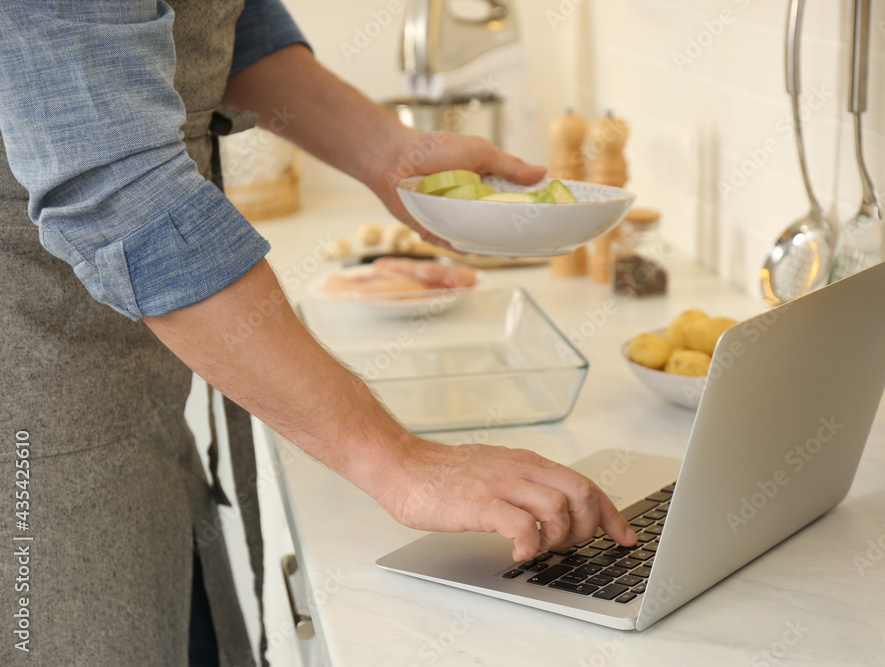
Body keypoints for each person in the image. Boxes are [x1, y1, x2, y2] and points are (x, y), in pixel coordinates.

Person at [0, 2, 636, 665]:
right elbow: (118, 185)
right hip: (31, 412)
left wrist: (392, 153)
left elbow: (220, 22)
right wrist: (395, 457)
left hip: (132, 394)